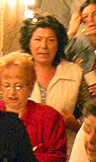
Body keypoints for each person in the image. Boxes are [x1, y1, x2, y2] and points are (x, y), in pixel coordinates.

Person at [19, 13, 86, 141]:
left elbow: (90, 113)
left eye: (50, 40)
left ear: (58, 44)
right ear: (29, 43)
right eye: (38, 39)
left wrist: (76, 123)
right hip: (24, 148)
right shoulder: (18, 71)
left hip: (64, 149)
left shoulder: (74, 73)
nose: (44, 46)